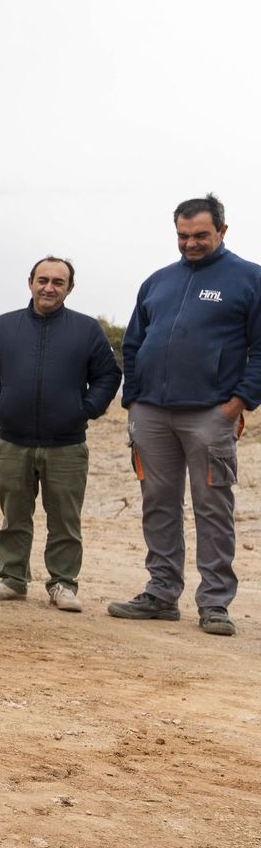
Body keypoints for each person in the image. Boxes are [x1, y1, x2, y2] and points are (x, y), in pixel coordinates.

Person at [108, 195, 261, 637]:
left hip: (210, 415)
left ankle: (214, 603)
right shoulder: (157, 281)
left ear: (222, 232)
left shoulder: (250, 279)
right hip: (151, 415)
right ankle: (161, 593)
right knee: (158, 503)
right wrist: (133, 399)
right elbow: (134, 344)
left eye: (200, 235)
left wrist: (238, 402)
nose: (190, 243)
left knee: (213, 507)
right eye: (182, 235)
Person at [0, 257, 121, 611]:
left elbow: (108, 376)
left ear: (70, 288)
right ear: (30, 282)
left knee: (65, 521)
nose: (49, 287)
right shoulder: (5, 326)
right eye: (43, 280)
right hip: (12, 441)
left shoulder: (87, 329)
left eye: (58, 282)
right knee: (14, 516)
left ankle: (63, 584)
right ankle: (12, 578)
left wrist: (86, 409)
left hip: (67, 444)